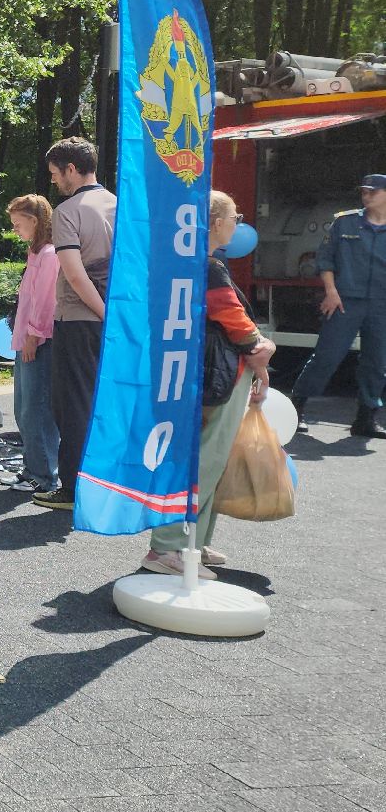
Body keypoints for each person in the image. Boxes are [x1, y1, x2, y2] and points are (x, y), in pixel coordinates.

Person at [139, 191, 277, 577]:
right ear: (216, 222)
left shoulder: (181, 259)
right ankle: (169, 548)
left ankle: (192, 543)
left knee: (203, 457)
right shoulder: (209, 265)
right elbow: (230, 316)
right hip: (218, 374)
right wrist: (260, 346)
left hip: (191, 372)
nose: (239, 223)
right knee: (205, 459)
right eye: (236, 217)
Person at [33, 137, 116, 510]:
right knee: (103, 402)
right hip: (111, 319)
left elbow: (76, 275)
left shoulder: (68, 212)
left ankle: (72, 489)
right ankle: (103, 481)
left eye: (55, 173)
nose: (53, 181)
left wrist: (101, 312)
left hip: (80, 318)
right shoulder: (119, 205)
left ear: (71, 169)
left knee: (72, 405)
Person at [287, 173, 386, 439]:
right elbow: (326, 260)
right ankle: (296, 408)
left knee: (377, 362)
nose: (366, 196)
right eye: (364, 191)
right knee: (327, 356)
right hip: (345, 301)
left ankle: (366, 418)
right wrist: (331, 292)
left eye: (372, 192)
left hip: (381, 303)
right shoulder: (345, 222)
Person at [4, 195, 61, 495]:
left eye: (17, 223)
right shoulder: (37, 252)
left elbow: (45, 301)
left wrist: (33, 335)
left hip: (37, 341)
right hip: (29, 339)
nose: (15, 229)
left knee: (36, 409)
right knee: (24, 407)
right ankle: (33, 470)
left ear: (34, 221)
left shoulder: (49, 254)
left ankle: (44, 475)